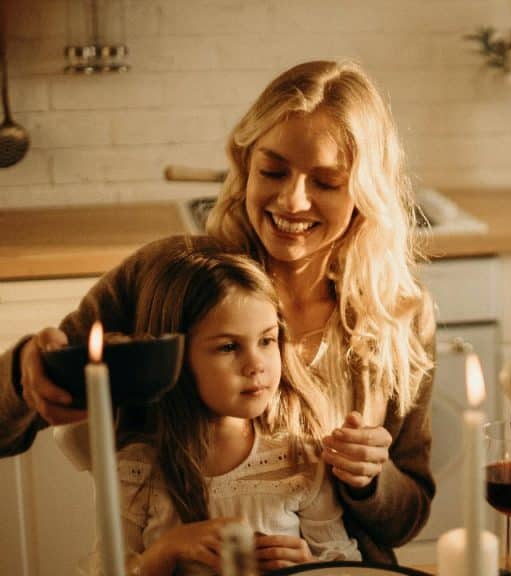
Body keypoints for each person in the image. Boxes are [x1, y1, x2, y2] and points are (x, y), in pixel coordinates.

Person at [0, 60, 436, 563]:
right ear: (245, 163)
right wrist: (25, 374)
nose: (293, 200)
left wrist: (371, 479)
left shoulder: (397, 316)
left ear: (365, 190)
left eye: (326, 182)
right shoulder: (171, 279)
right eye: (273, 170)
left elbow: (407, 520)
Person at [103, 249, 360, 575]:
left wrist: (309, 567)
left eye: (266, 340)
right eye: (228, 347)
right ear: (176, 358)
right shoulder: (138, 469)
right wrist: (164, 553)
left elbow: (344, 563)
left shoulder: (299, 458)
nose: (256, 365)